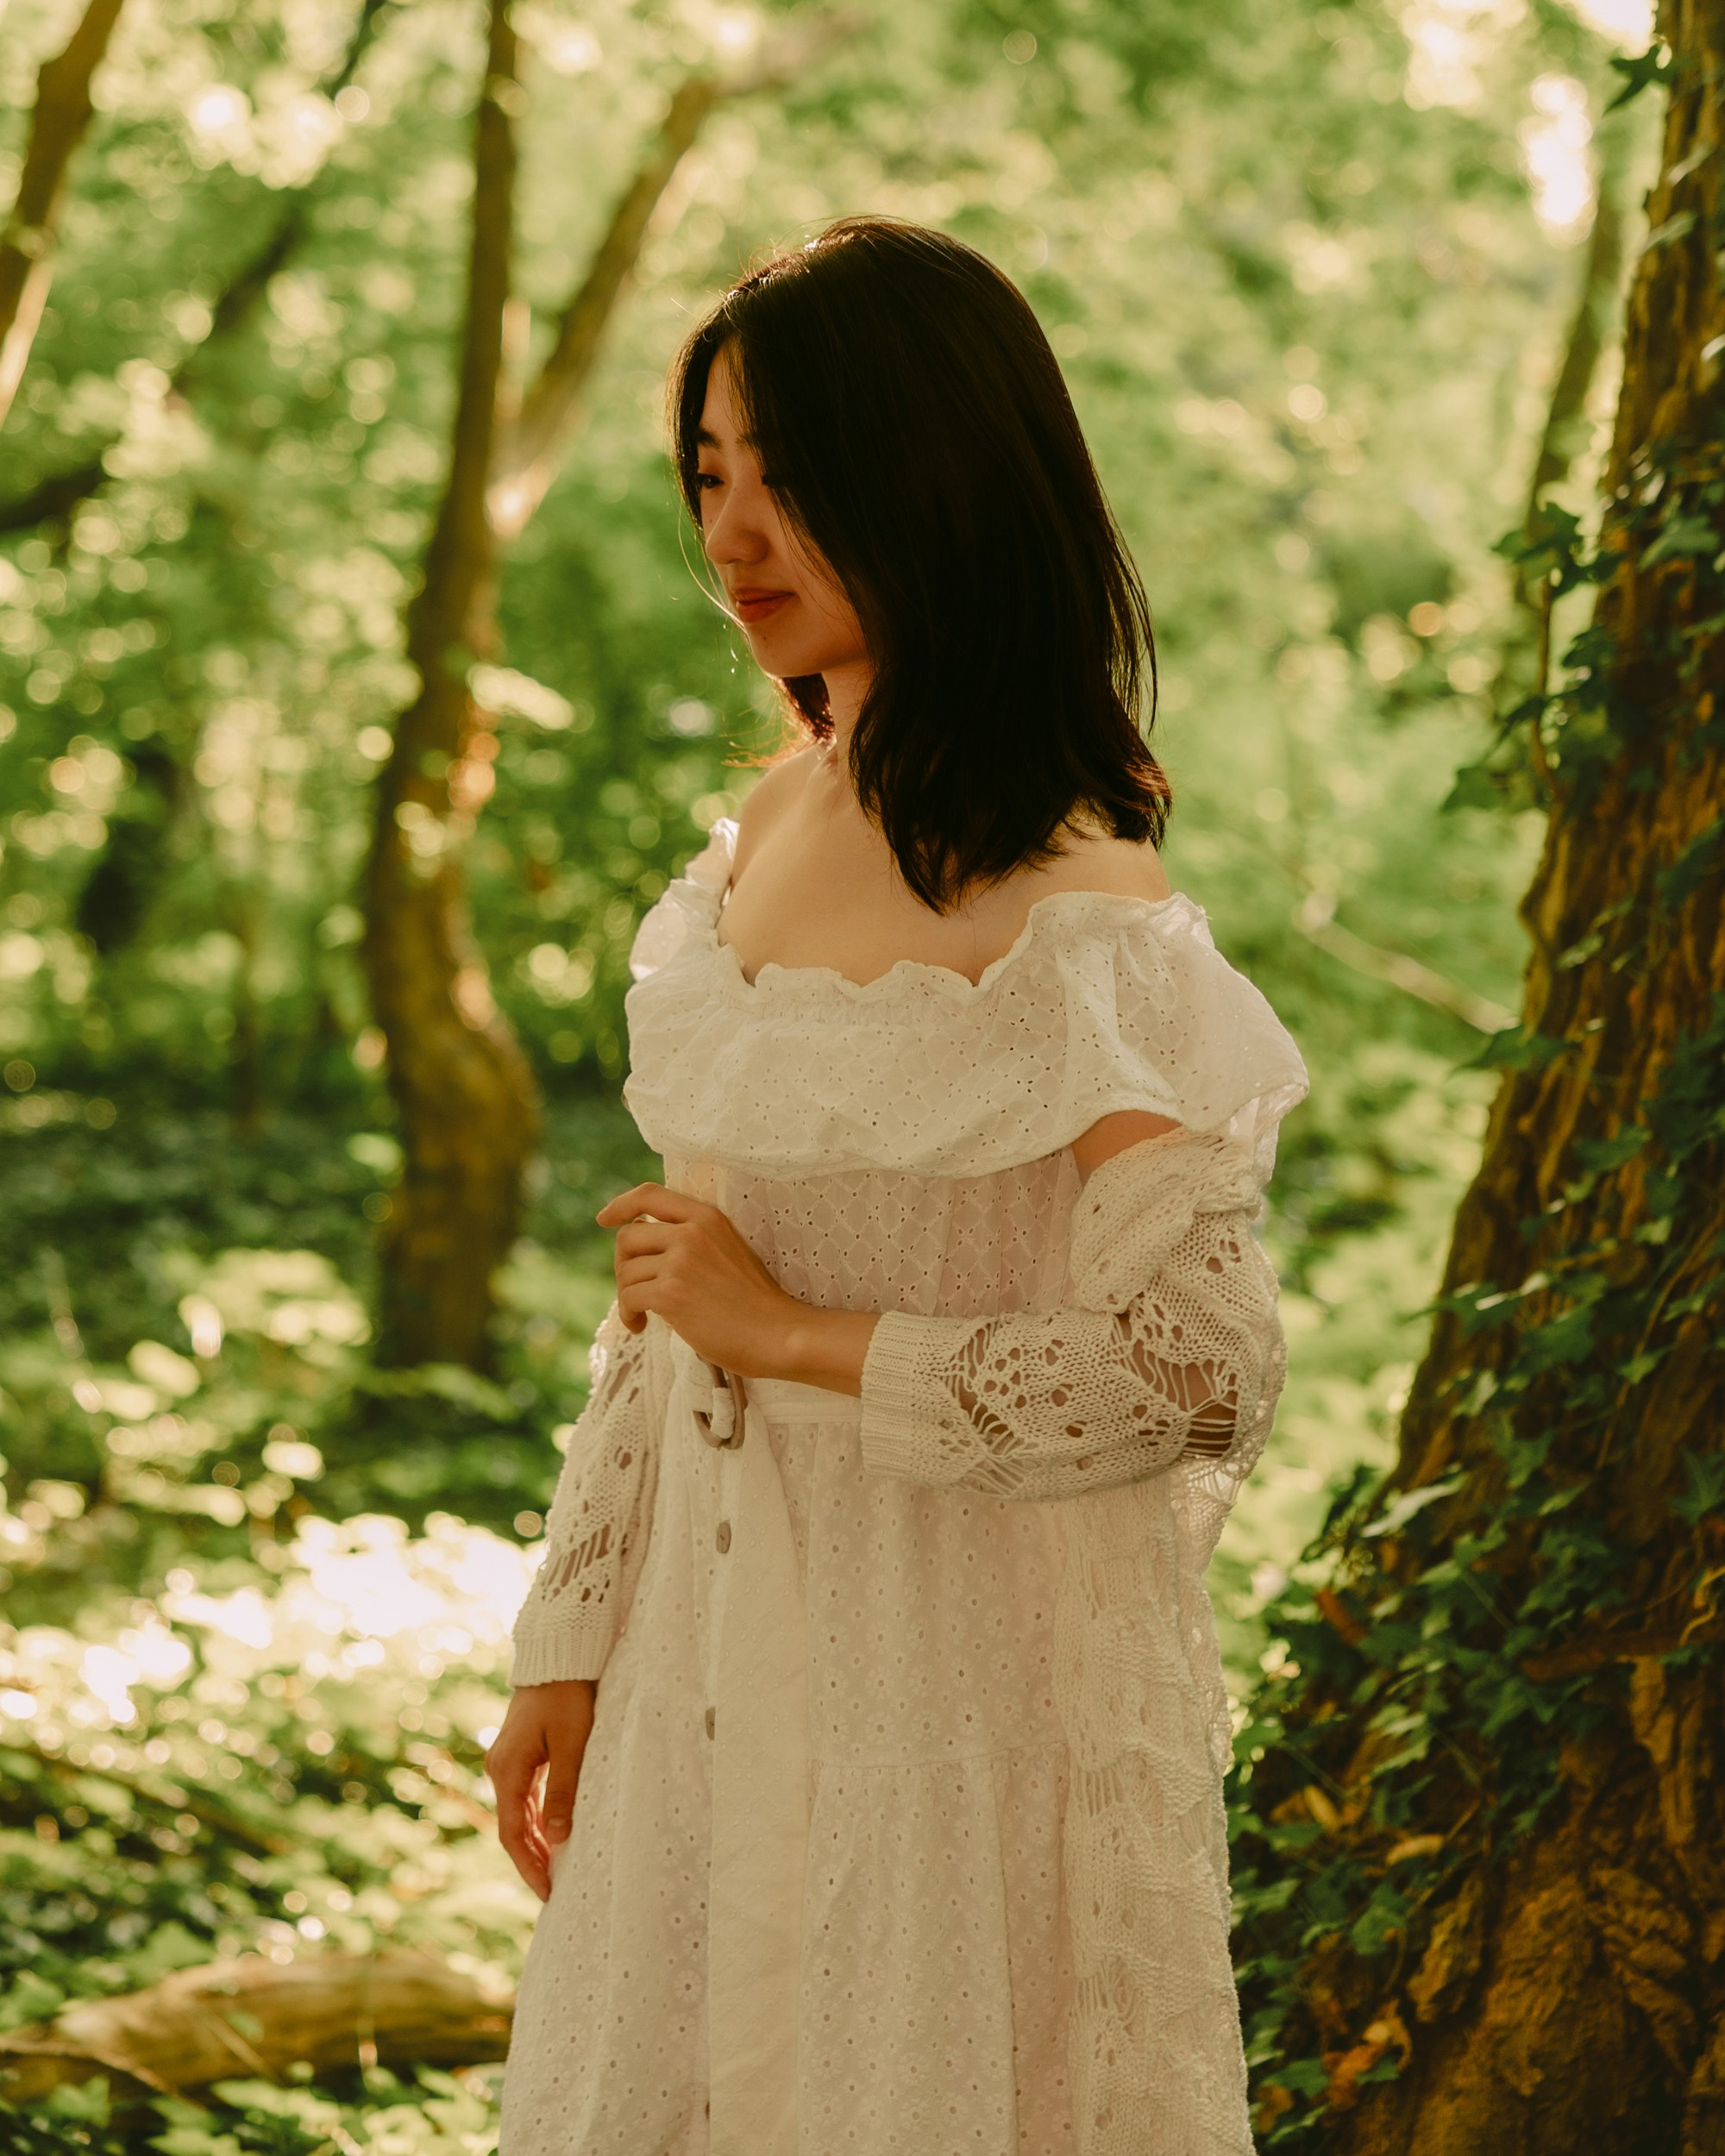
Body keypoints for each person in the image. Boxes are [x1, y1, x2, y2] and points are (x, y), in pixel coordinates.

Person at [486, 216, 1308, 2156]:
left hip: (944, 1694)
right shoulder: (761, 828)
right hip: (701, 1658)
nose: (733, 533)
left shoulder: (1065, 893)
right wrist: (569, 1634)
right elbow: (666, 1303)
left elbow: (1204, 1365)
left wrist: (798, 1333)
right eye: (709, 474)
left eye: (788, 476)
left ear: (931, 475)